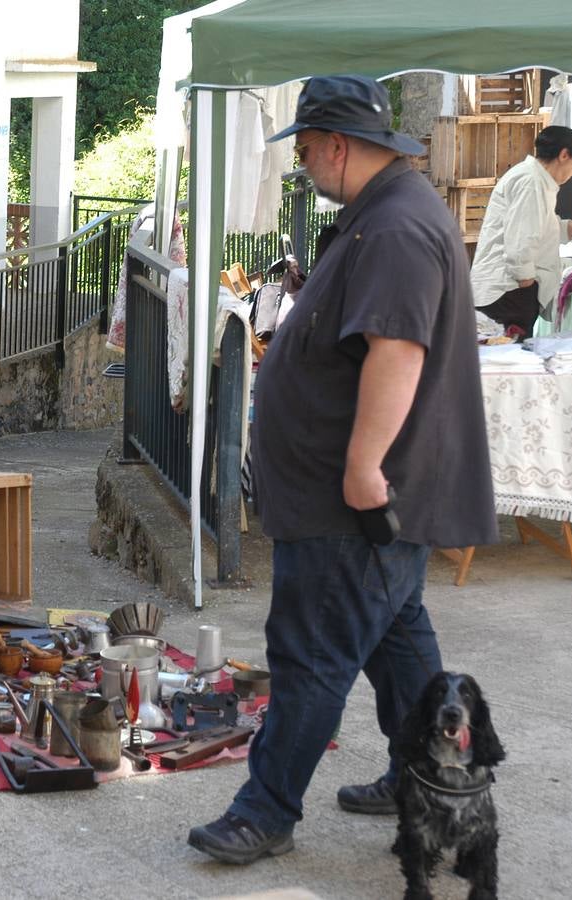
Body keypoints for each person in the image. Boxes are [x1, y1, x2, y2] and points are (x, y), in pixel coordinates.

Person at [187, 75, 498, 865]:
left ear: (334, 145)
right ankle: (422, 776)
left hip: (353, 499)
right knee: (397, 638)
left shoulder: (393, 226)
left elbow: (396, 350)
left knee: (312, 654)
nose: (302, 166)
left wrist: (362, 468)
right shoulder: (385, 212)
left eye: (305, 150)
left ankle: (266, 811)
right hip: (366, 496)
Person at [469, 126, 572, 337]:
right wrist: (525, 279)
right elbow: (522, 238)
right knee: (505, 361)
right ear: (564, 155)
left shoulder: (538, 182)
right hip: (507, 291)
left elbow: (546, 229)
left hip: (510, 290)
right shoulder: (531, 181)